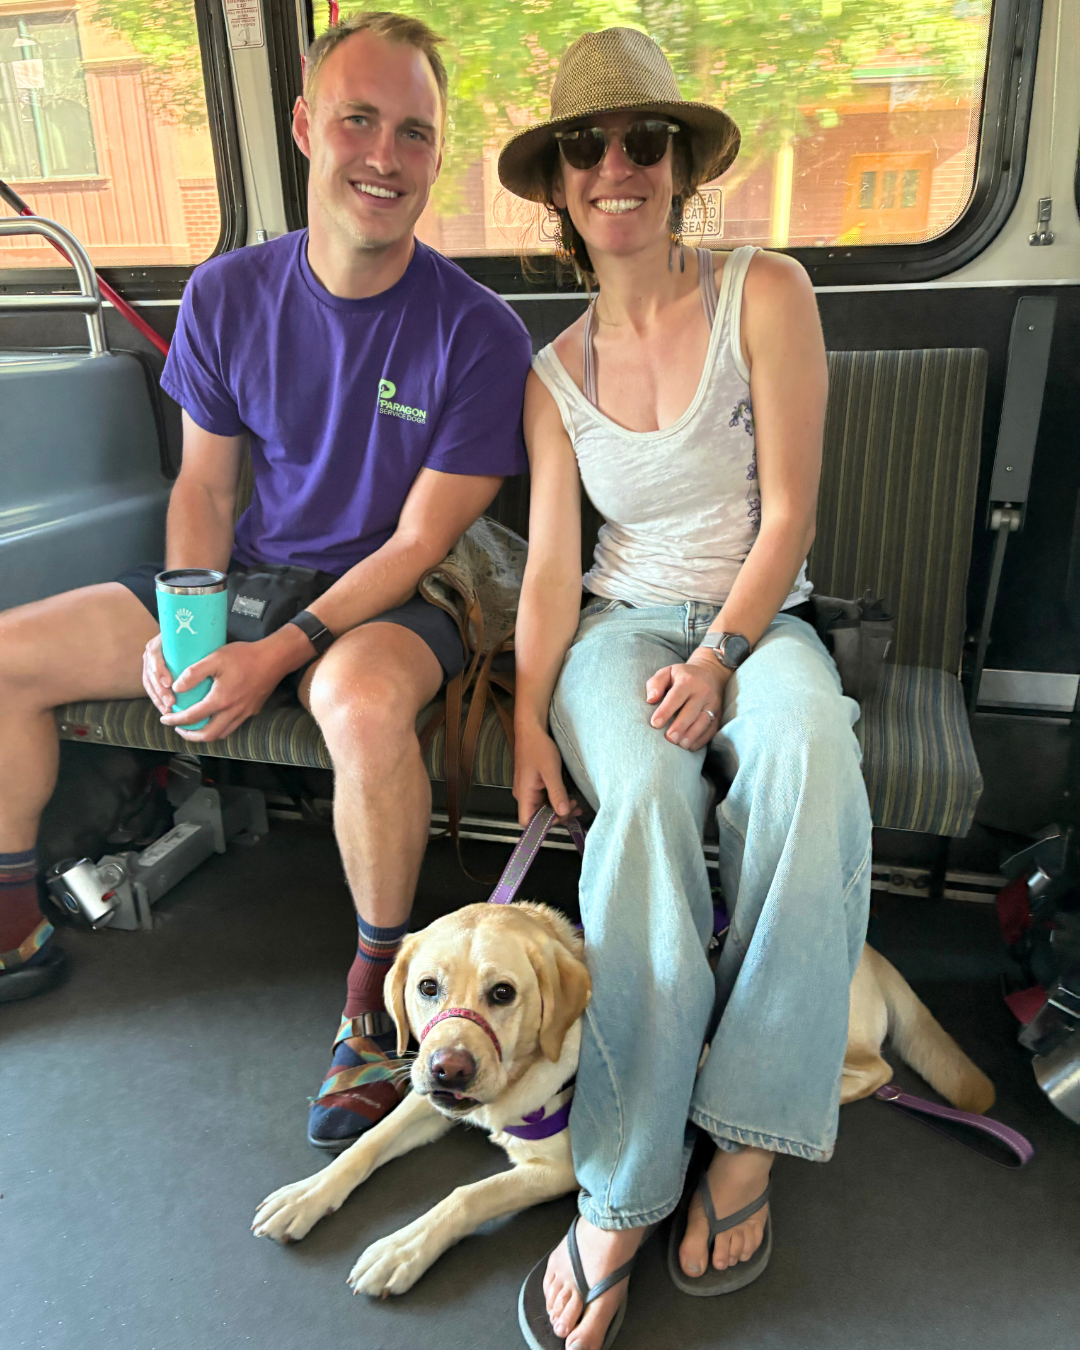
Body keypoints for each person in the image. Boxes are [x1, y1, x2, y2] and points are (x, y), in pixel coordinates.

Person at [0, 9, 532, 1156]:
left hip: (405, 590)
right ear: (303, 127)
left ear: (438, 154)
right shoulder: (227, 294)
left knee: (360, 703)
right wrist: (190, 626)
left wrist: (274, 656)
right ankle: (12, 928)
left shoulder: (479, 332)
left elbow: (417, 543)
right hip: (257, 572)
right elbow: (204, 486)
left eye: (415, 133)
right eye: (358, 121)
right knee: (6, 657)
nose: (384, 156)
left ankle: (377, 1009)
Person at [499, 28, 872, 1350]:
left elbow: (791, 513)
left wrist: (719, 658)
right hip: (619, 628)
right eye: (586, 148)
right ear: (559, 184)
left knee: (811, 754)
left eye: (643, 141)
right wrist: (528, 710)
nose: (618, 166)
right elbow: (552, 570)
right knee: (647, 801)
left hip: (757, 620)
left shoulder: (766, 290)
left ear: (680, 165)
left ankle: (750, 1134)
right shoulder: (550, 375)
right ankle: (624, 1180)